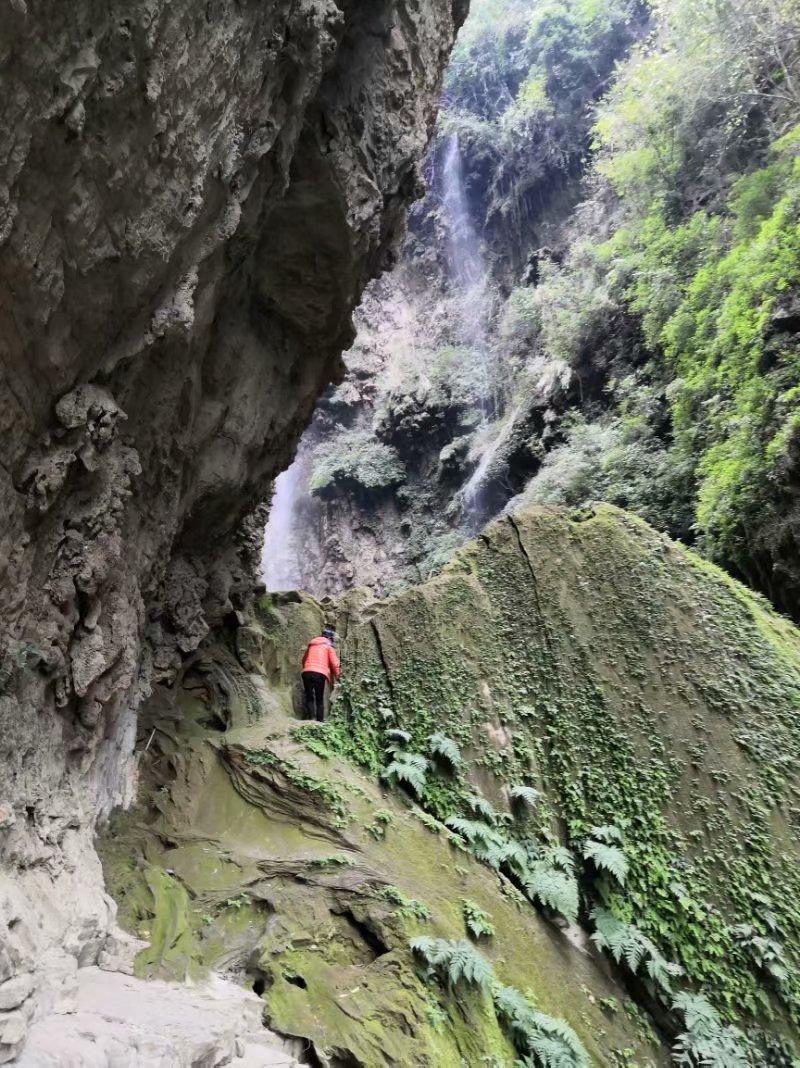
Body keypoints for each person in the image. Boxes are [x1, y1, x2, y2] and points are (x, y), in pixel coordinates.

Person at [301, 626, 340, 722]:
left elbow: (304, 660)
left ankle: (311, 719)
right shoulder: (329, 647)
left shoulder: (311, 645)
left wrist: (308, 668)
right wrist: (338, 676)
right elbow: (335, 664)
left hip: (307, 672)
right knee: (319, 699)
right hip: (320, 674)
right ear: (330, 639)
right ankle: (319, 722)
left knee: (309, 696)